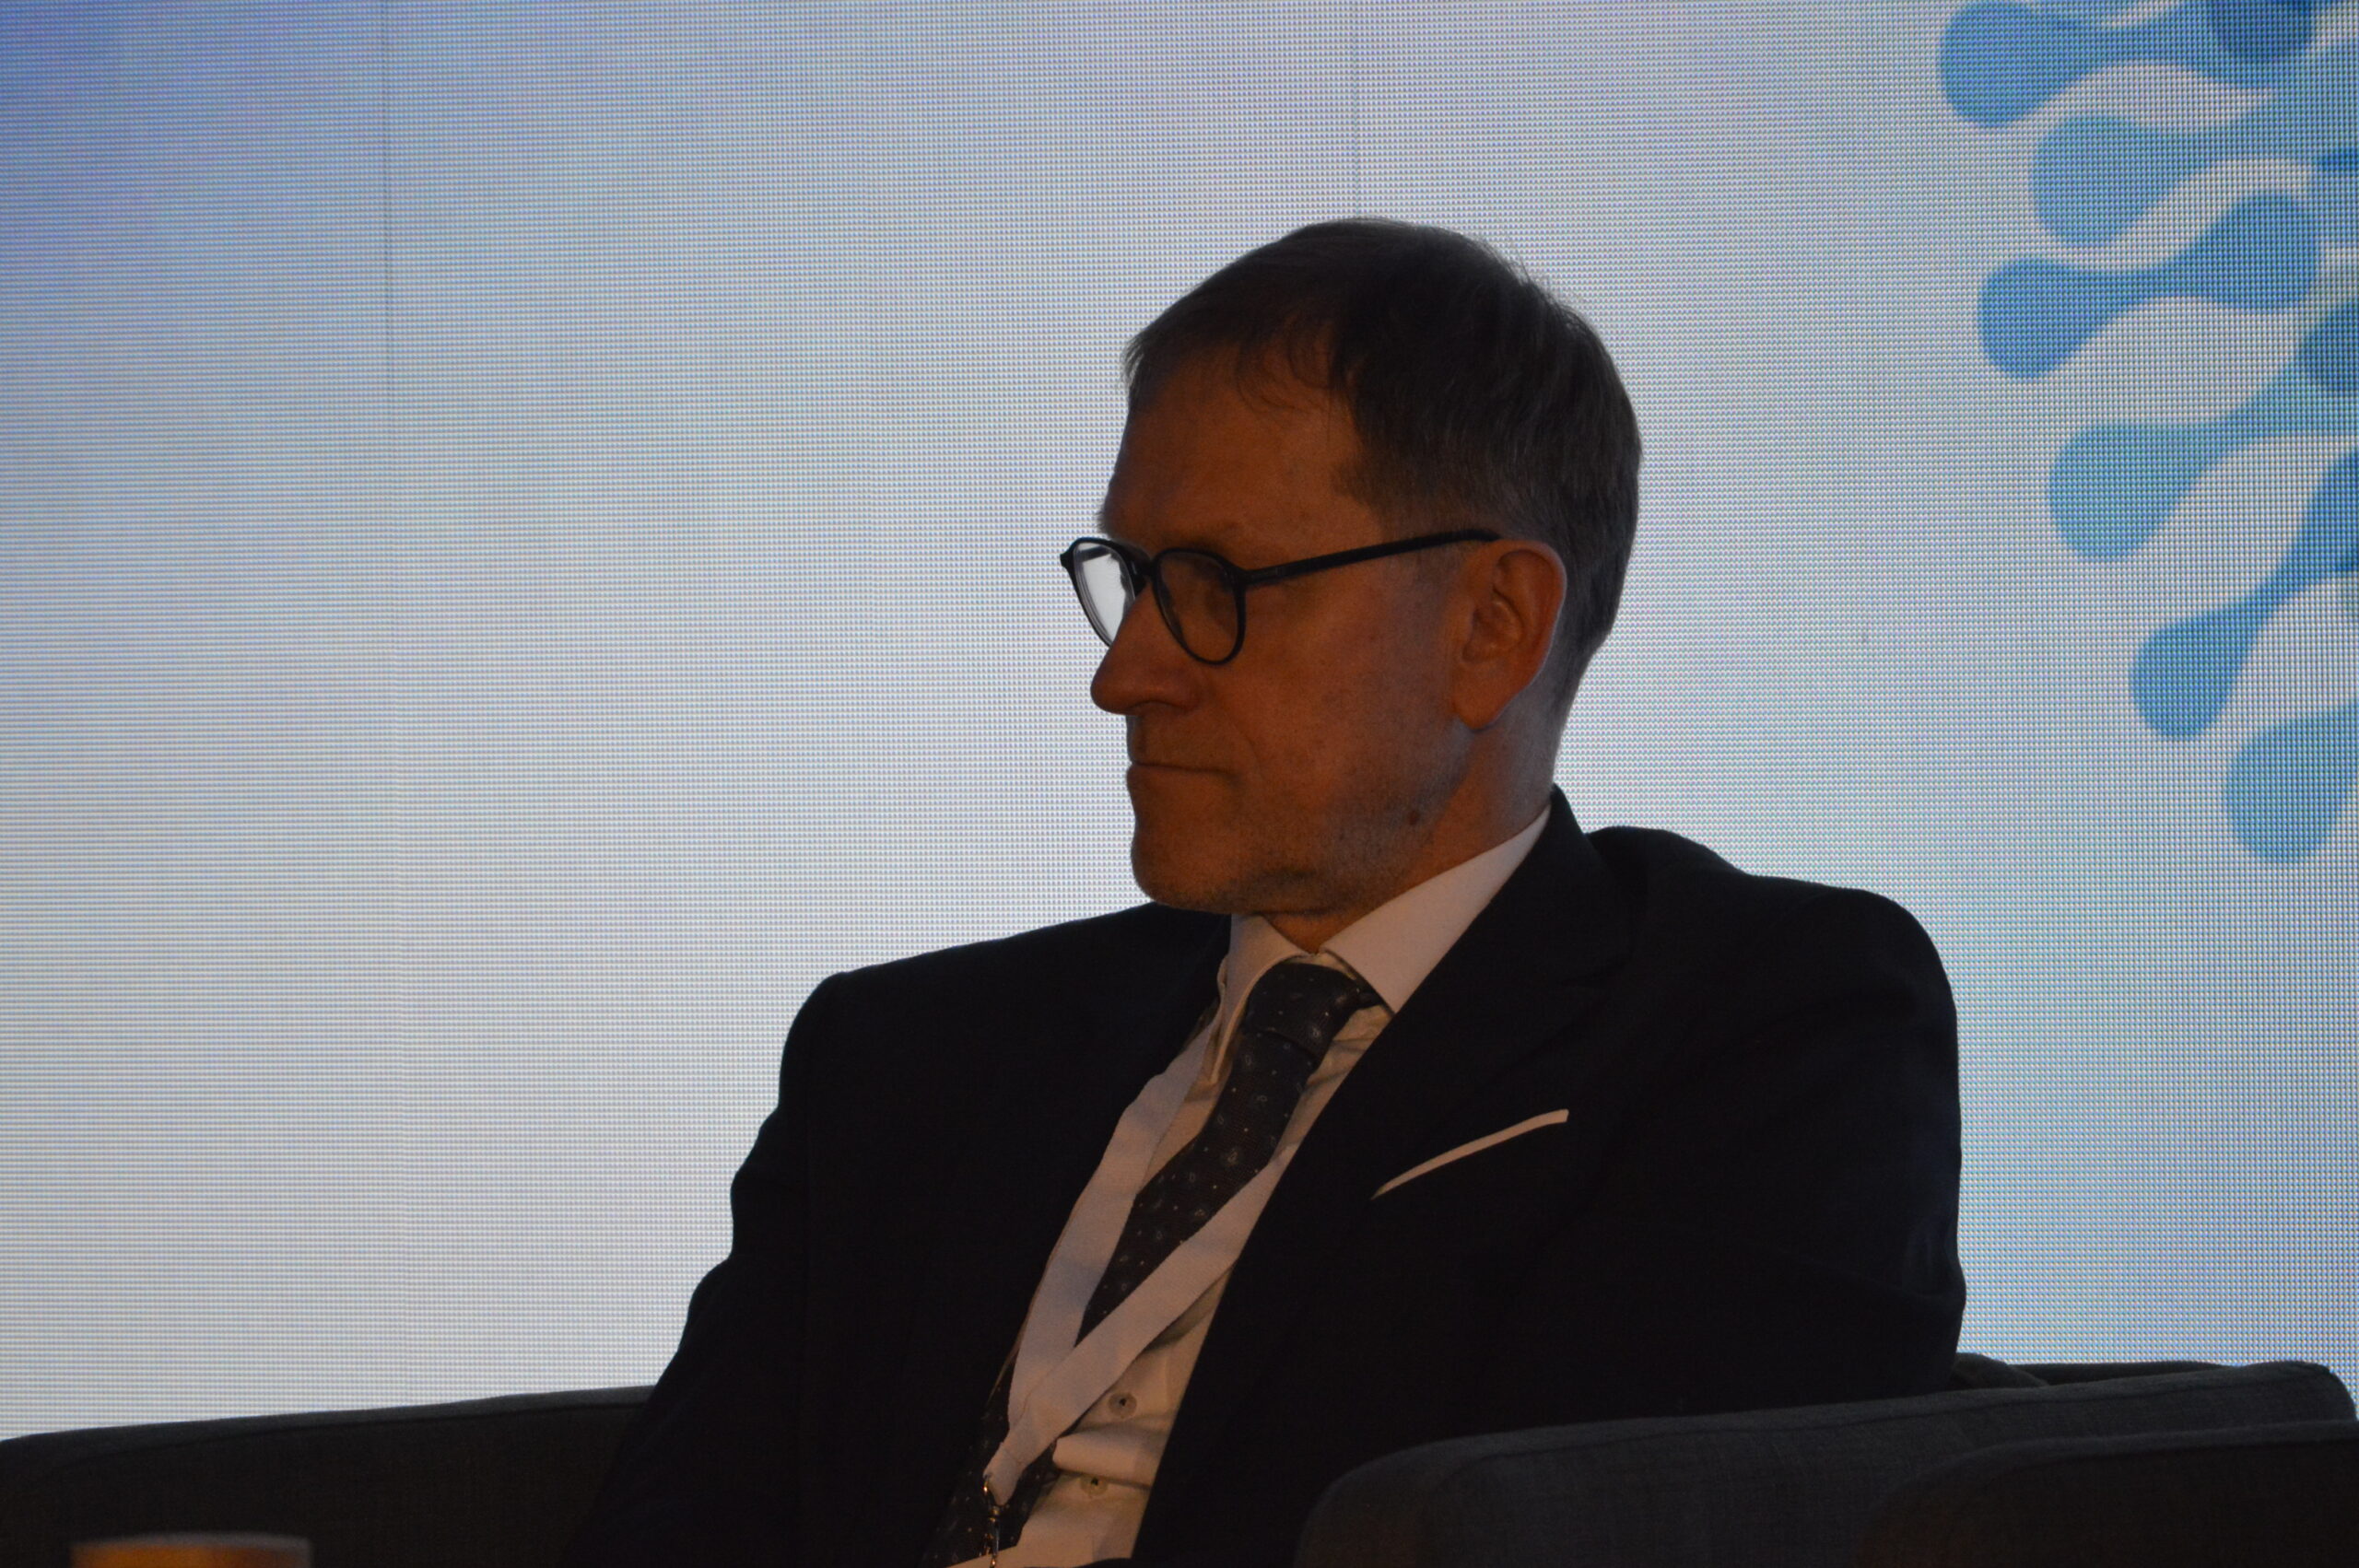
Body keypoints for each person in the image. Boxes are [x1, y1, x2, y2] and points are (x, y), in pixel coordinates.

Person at [565, 218, 1964, 1568]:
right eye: (1132, 578)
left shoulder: (1757, 1033)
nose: (1124, 675)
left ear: (1491, 628)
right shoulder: (903, 1059)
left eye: (1218, 583)